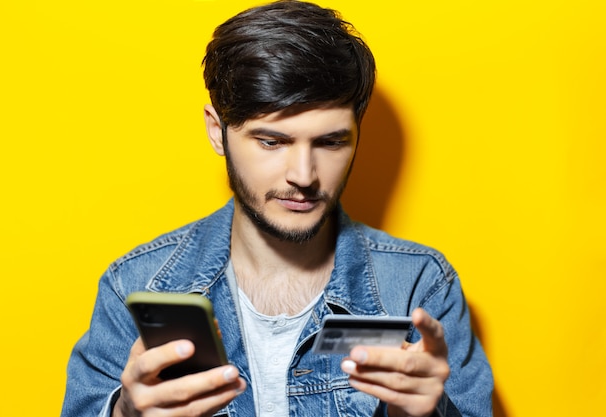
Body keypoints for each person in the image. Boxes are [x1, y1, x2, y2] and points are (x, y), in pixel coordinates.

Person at [61, 1, 493, 416]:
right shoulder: (136, 284)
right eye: (272, 142)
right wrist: (126, 413)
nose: (303, 175)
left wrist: (424, 415)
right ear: (218, 132)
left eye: (331, 142)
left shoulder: (420, 285)